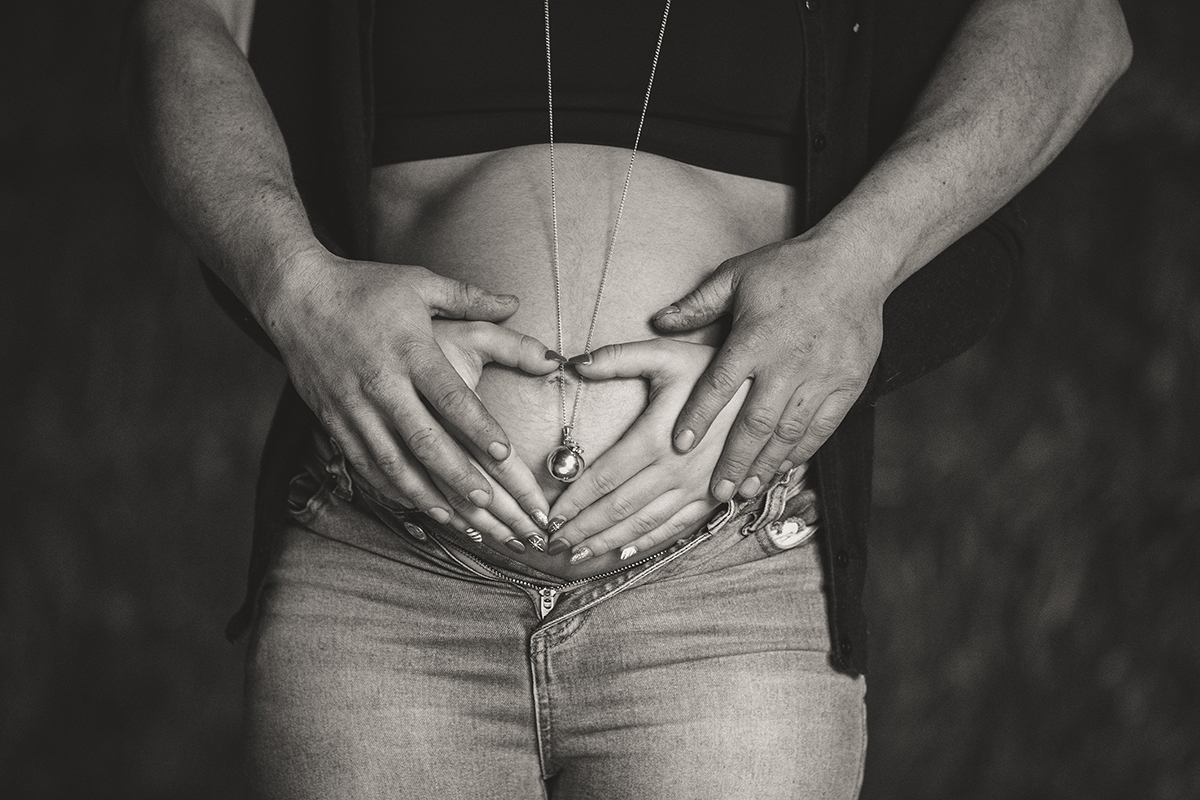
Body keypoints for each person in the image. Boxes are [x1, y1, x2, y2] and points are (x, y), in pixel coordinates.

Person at [122, 0, 1130, 797]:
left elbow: (1077, 23)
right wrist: (294, 282)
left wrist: (851, 269)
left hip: (721, 587)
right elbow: (184, 21)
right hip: (386, 575)